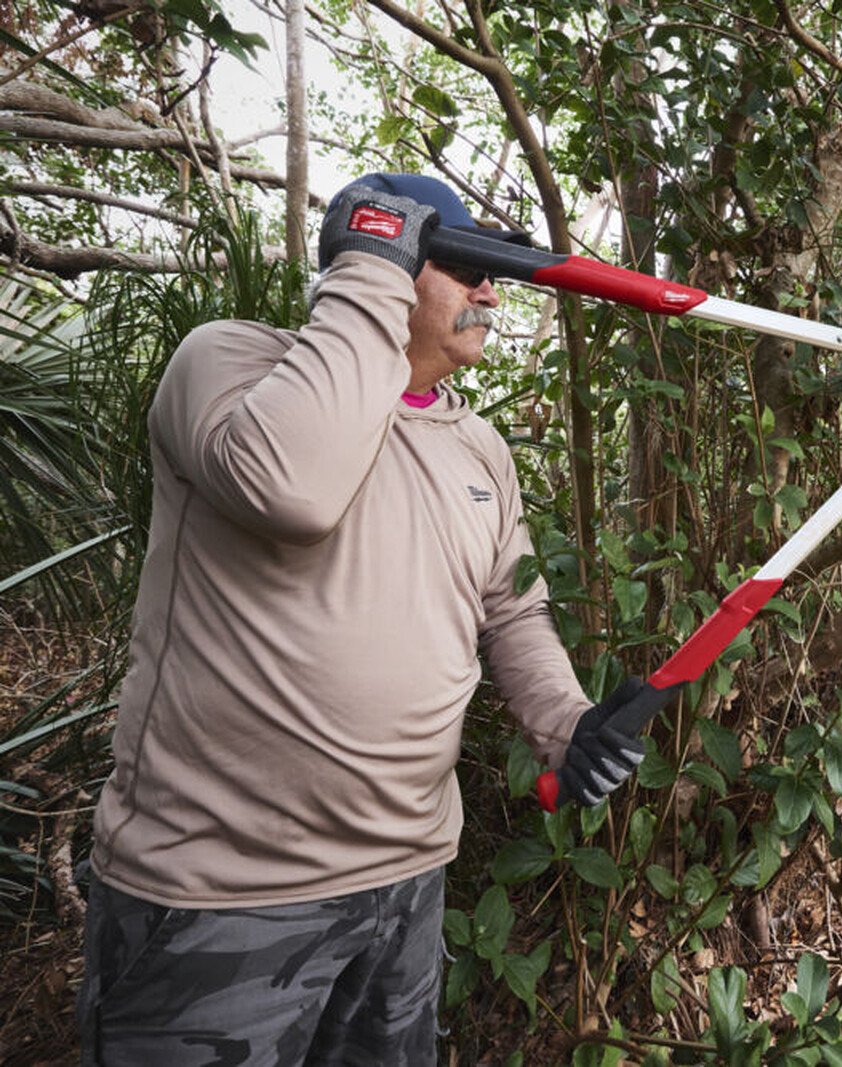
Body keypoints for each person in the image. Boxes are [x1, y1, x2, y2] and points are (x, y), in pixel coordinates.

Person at [77, 173, 648, 1065]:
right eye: (463, 264)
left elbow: (511, 611)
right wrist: (373, 263)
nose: (490, 292)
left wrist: (564, 725)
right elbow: (291, 487)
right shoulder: (230, 363)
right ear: (377, 263)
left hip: (407, 882)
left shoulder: (478, 447)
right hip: (218, 890)